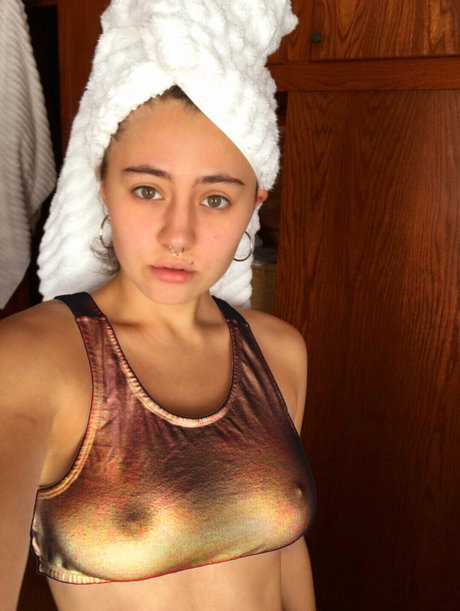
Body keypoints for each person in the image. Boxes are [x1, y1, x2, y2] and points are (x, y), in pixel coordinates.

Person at [0, 1, 316, 609]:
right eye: (148, 190)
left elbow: (282, 548)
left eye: (216, 199)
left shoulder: (279, 352)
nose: (179, 235)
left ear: (255, 203)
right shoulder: (31, 360)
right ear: (103, 186)